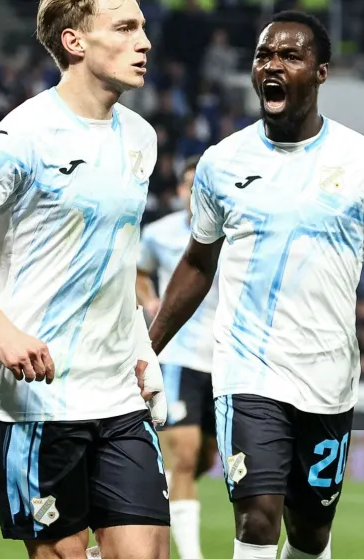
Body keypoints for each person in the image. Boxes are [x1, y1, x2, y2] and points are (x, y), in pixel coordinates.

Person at [148, 11, 364, 559]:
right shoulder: (221, 163)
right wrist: (149, 348)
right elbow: (197, 263)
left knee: (310, 536)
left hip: (328, 376)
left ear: (321, 72)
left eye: (289, 56)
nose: (272, 65)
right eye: (264, 55)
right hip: (246, 369)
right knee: (257, 517)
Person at [0, 0, 171, 557]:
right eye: (125, 27)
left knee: (147, 550)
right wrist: (2, 333)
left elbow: (116, 258)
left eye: (143, 27)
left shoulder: (142, 137)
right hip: (38, 397)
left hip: (118, 394)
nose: (144, 41)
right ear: (75, 42)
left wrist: (142, 348)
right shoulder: (22, 136)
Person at [136, 157, 220, 559]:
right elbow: (138, 270)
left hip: (225, 359)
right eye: (189, 185)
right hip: (179, 357)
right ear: (181, 191)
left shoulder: (235, 232)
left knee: (205, 457)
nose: (194, 192)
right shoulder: (159, 233)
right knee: (185, 454)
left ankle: (161, 493)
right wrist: (150, 299)